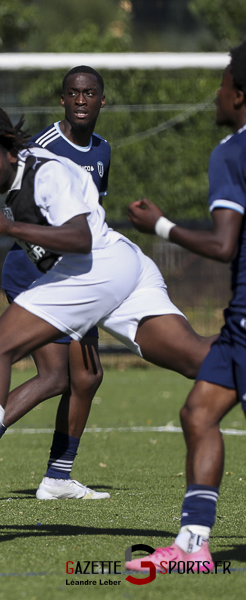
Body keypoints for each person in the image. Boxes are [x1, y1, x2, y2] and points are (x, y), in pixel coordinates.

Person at [0, 103, 213, 494]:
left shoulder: (45, 172)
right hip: (124, 268)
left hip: (95, 268)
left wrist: (10, 227)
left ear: (11, 153)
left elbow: (79, 238)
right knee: (199, 360)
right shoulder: (19, 177)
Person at [0, 66, 113, 501]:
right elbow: (25, 209)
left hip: (70, 268)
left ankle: (50, 473)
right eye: (73, 93)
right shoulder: (42, 147)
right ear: (62, 99)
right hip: (35, 268)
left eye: (89, 93)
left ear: (102, 101)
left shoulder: (103, 151)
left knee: (76, 378)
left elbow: (87, 217)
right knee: (69, 375)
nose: (81, 101)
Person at [124, 42, 246, 574]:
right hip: (237, 324)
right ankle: (194, 542)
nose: (215, 92)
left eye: (222, 83)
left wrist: (162, 228)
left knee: (200, 413)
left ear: (239, 95)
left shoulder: (231, 152)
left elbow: (223, 246)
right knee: (198, 412)